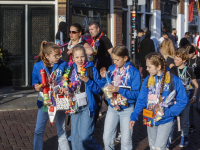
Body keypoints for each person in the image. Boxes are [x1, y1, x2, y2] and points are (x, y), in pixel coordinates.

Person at [129, 52, 188, 150]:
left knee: (159, 147)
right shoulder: (148, 80)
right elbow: (141, 99)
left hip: (166, 119)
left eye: (149, 67)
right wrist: (134, 116)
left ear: (159, 66)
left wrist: (168, 112)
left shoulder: (174, 80)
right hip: (150, 118)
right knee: (152, 147)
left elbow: (183, 100)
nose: (146, 69)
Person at [61, 45, 102, 150]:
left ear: (86, 56)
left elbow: (98, 89)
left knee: (85, 137)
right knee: (75, 138)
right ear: (73, 58)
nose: (80, 59)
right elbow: (65, 84)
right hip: (74, 105)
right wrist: (65, 88)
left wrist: (88, 81)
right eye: (77, 57)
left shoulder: (91, 69)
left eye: (82, 56)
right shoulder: (69, 69)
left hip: (87, 106)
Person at [100, 45, 141, 150]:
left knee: (126, 141)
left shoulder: (134, 72)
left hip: (127, 109)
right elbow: (104, 85)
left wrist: (119, 90)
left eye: (117, 60)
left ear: (125, 58)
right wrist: (104, 78)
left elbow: (136, 94)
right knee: (107, 138)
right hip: (112, 107)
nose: (114, 62)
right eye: (113, 59)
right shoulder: (111, 69)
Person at [32, 41, 70, 150]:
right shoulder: (37, 66)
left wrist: (64, 85)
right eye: (56, 55)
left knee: (61, 130)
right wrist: (36, 87)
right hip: (45, 100)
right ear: (47, 56)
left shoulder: (62, 64)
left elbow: (66, 78)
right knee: (39, 130)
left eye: (59, 54)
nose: (59, 56)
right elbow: (34, 82)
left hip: (59, 100)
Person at [169, 49, 198, 147]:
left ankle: (184, 137)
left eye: (177, 59)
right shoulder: (173, 70)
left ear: (184, 60)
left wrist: (194, 96)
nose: (175, 61)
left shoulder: (189, 70)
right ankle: (168, 138)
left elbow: (196, 84)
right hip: (174, 99)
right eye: (175, 59)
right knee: (171, 119)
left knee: (184, 120)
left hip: (186, 99)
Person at [88, 22, 113, 122]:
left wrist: (113, 68)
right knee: (99, 94)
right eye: (89, 30)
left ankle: (113, 109)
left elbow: (112, 52)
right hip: (97, 70)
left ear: (98, 29)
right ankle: (95, 117)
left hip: (105, 71)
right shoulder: (94, 40)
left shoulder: (104, 39)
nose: (90, 32)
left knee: (106, 94)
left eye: (92, 29)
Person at [185, 44, 200, 133]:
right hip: (189, 82)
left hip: (197, 82)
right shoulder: (187, 60)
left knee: (195, 105)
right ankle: (192, 124)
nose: (188, 56)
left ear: (193, 53)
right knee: (189, 104)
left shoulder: (198, 60)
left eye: (189, 54)